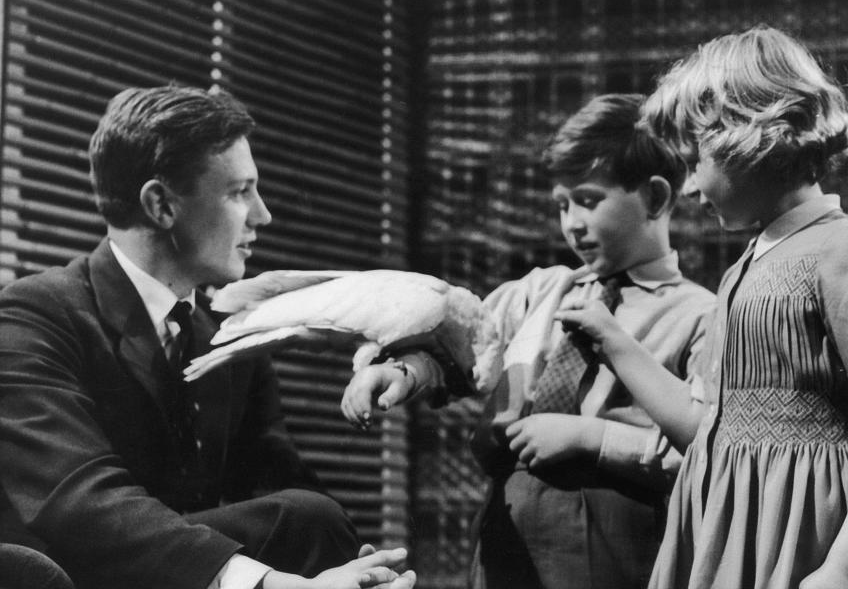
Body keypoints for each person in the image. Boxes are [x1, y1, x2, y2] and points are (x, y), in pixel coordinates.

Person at [557, 26, 848, 589]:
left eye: (694, 159)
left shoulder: (847, 247)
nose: (687, 189)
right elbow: (704, 427)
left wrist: (847, 567)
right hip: (730, 530)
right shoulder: (741, 271)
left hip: (810, 532)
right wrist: (614, 342)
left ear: (749, 135)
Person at [0, 86, 416, 589]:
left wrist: (353, 565)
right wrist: (267, 585)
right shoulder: (35, 313)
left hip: (184, 575)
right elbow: (79, 502)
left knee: (313, 518)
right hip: (73, 575)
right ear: (161, 205)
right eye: (240, 192)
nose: (262, 215)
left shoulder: (227, 336)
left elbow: (278, 484)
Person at [342, 94, 716, 589]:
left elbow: (712, 446)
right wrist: (403, 372)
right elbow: (457, 350)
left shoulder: (699, 314)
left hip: (618, 522)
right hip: (510, 510)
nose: (572, 223)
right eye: (562, 205)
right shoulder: (541, 290)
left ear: (655, 197)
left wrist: (594, 438)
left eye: (588, 200)